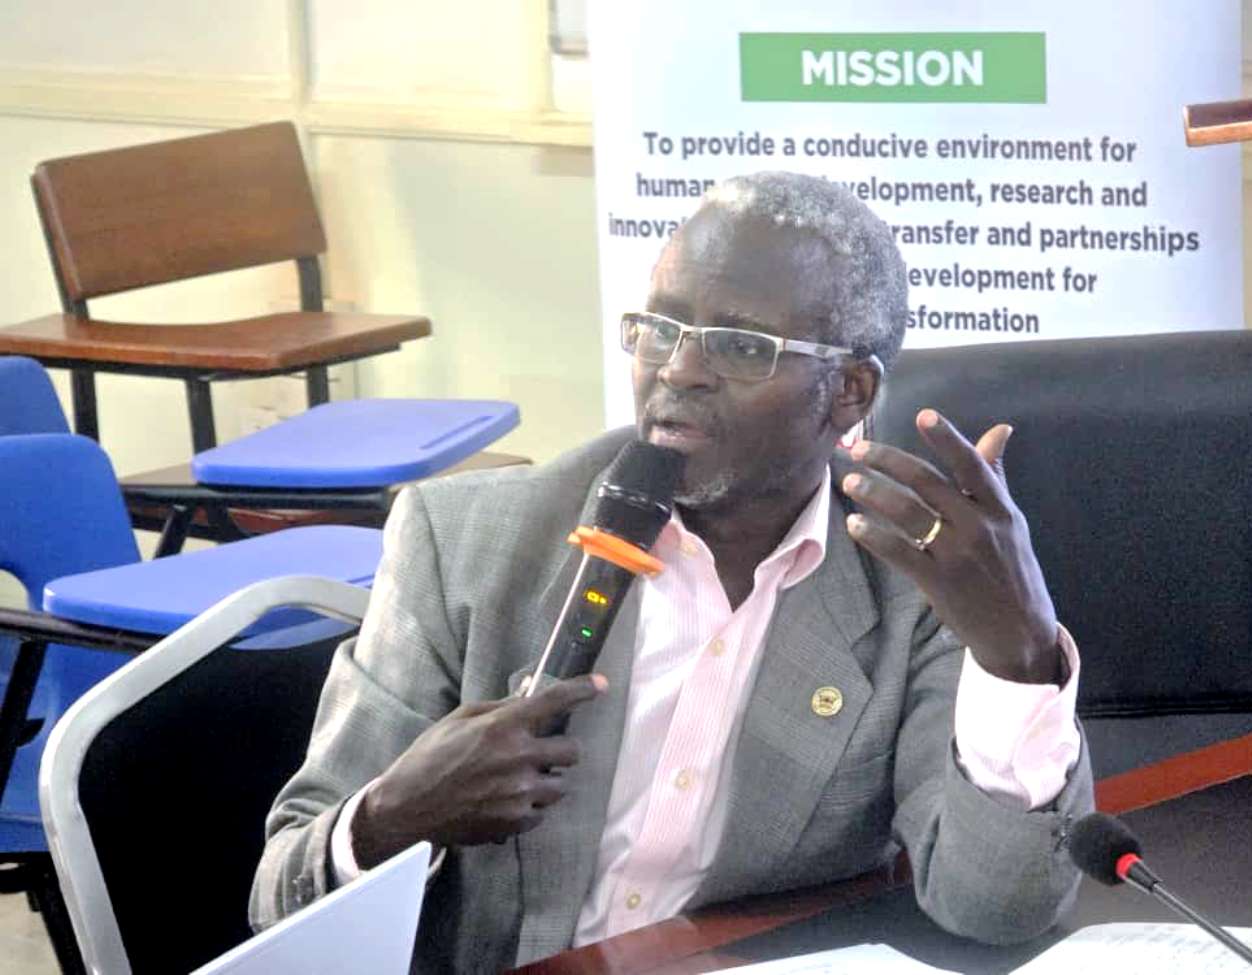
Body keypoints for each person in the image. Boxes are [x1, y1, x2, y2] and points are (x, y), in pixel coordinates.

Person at [250, 172, 1092, 973]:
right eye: (659, 327)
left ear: (849, 390)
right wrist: (395, 816)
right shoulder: (466, 540)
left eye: (736, 344)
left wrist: (1016, 658)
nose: (678, 369)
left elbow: (996, 907)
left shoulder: (912, 583)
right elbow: (277, 896)